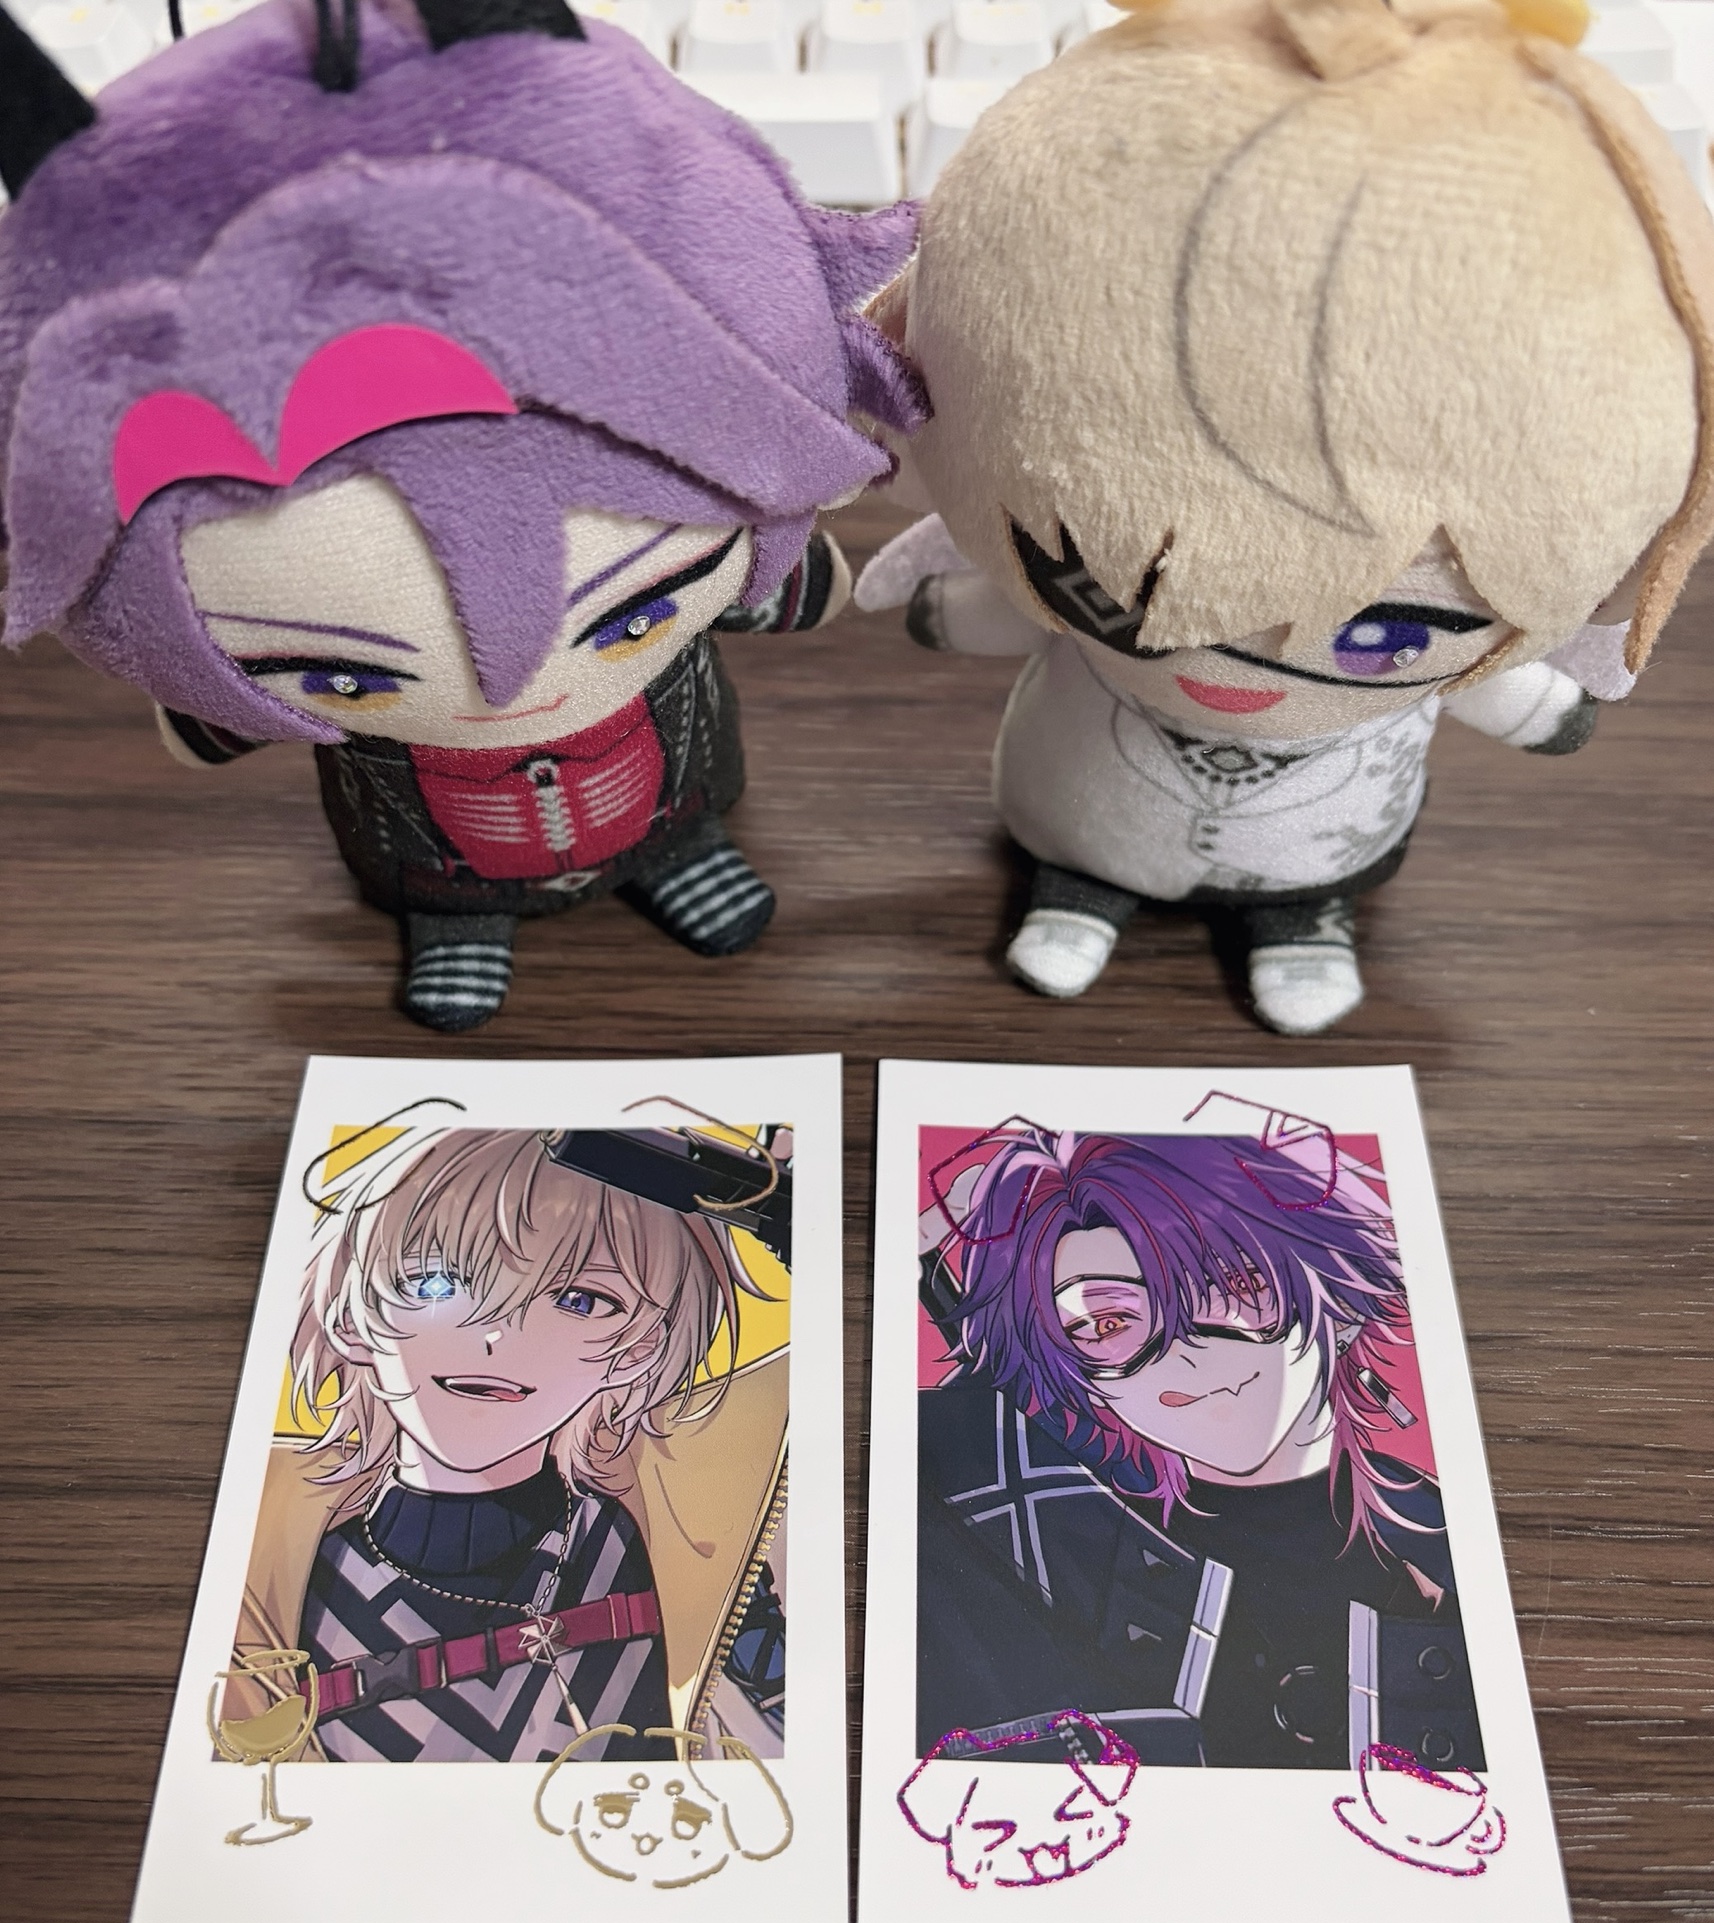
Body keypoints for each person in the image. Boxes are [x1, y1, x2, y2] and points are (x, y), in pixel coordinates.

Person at [0, 0, 923, 1029]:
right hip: (427, 848)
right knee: (446, 893)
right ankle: (458, 926)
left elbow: (777, 579)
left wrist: (784, 579)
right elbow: (205, 720)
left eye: (635, 613)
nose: (519, 692)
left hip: (670, 786)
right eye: (343, 674)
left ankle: (680, 855)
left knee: (684, 828)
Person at [856, 0, 1713, 1033]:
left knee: (1305, 878)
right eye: (1127, 594)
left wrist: (1541, 707)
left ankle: (1302, 922)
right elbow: (990, 598)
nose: (1235, 660)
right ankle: (1077, 893)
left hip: (1324, 840)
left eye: (1385, 633)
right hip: (1071, 811)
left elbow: (1535, 705)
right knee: (1079, 849)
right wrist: (956, 608)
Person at [916, 1125, 1484, 1772]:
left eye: (1232, 1288)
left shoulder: (1451, 1546)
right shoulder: (1041, 1521)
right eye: (1109, 1323)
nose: (1184, 1358)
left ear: (1340, 1299)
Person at [230, 1124, 788, 1764]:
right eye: (435, 1284)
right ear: (352, 1317)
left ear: (639, 1349)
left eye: (580, 1300)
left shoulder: (688, 1534)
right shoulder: (267, 1566)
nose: (495, 1336)